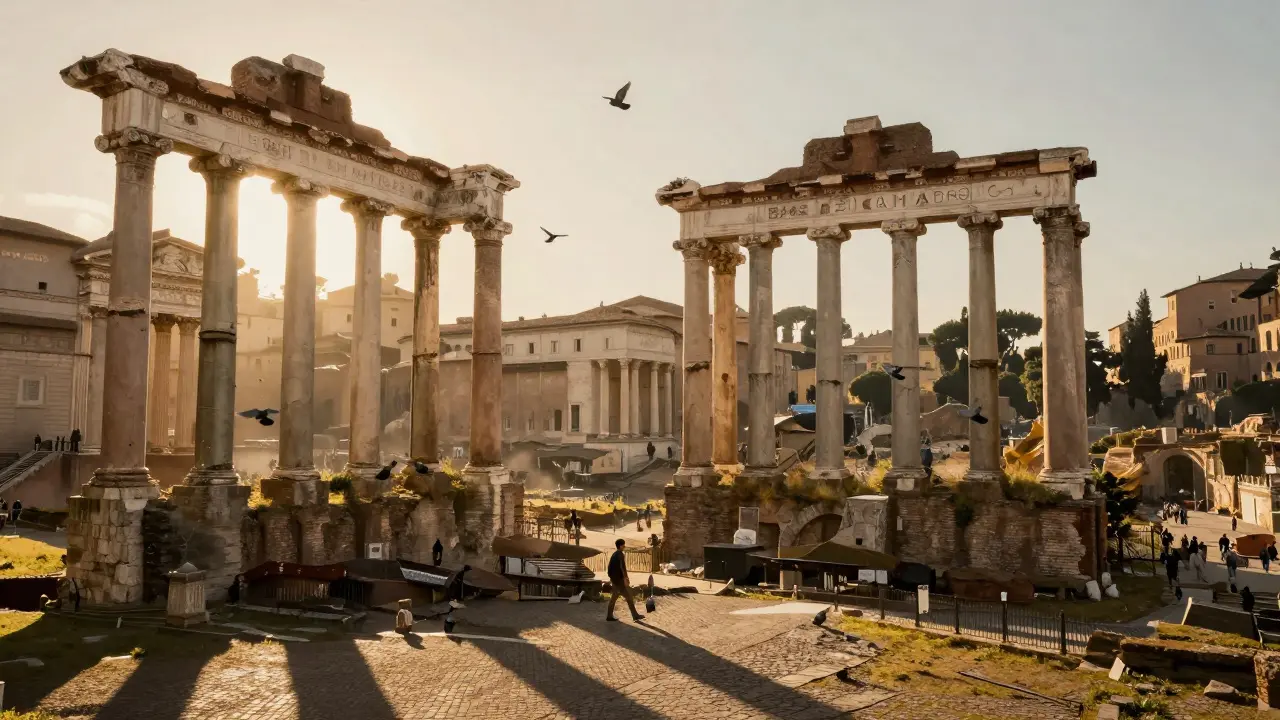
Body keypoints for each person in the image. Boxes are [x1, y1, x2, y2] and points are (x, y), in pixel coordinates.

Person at [606, 538, 644, 622]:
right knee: (628, 598)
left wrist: (612, 578)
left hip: (615, 580)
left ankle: (609, 616)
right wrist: (626, 578)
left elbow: (609, 569)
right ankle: (635, 615)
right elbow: (622, 567)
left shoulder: (614, 554)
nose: (624, 546)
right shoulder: (620, 554)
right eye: (623, 545)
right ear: (620, 546)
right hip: (619, 581)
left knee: (614, 598)